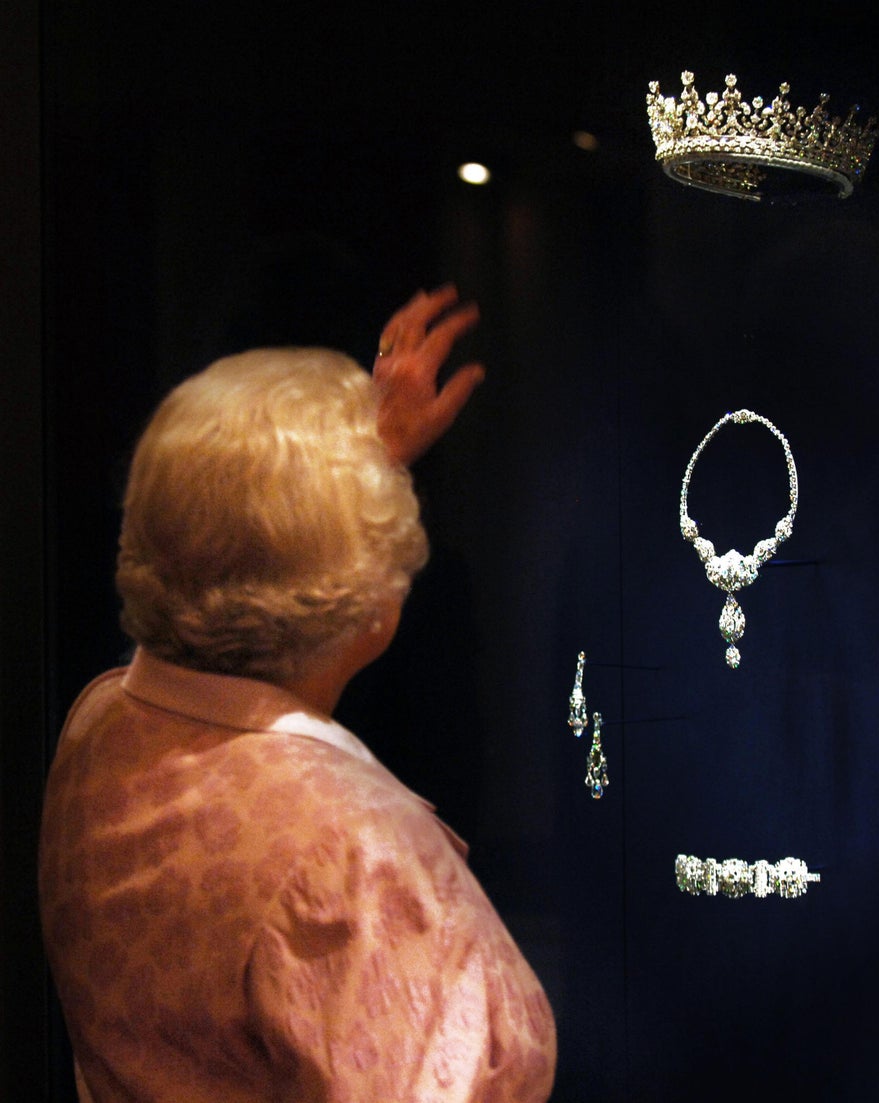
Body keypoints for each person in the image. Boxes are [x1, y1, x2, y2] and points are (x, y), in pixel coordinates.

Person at [38, 286, 556, 1103]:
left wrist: (351, 459)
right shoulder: (356, 853)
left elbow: (221, 544)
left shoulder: (103, 719)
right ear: (366, 594)